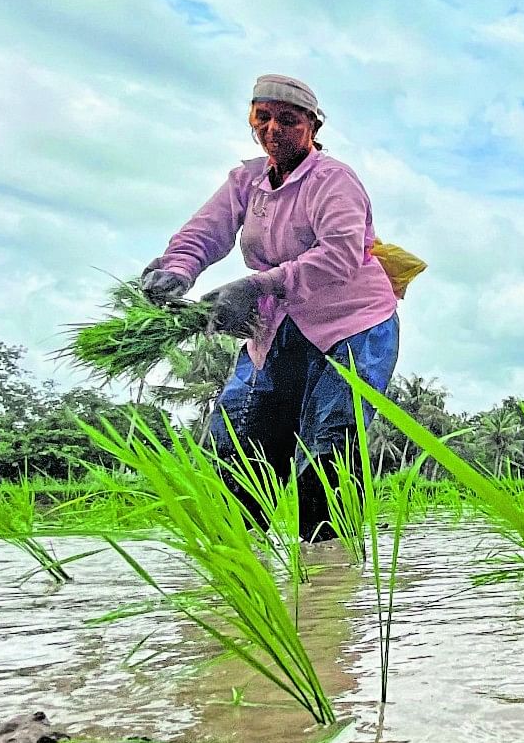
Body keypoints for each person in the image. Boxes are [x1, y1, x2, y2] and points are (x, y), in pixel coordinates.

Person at [140, 74, 400, 541]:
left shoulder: (333, 181)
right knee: (238, 448)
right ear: (251, 120)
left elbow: (339, 253)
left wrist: (262, 283)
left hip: (353, 326)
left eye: (288, 120)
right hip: (275, 327)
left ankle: (329, 576)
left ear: (312, 127)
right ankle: (237, 569)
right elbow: (206, 231)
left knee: (329, 446)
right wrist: (178, 269)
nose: (273, 130)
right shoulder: (246, 181)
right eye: (263, 118)